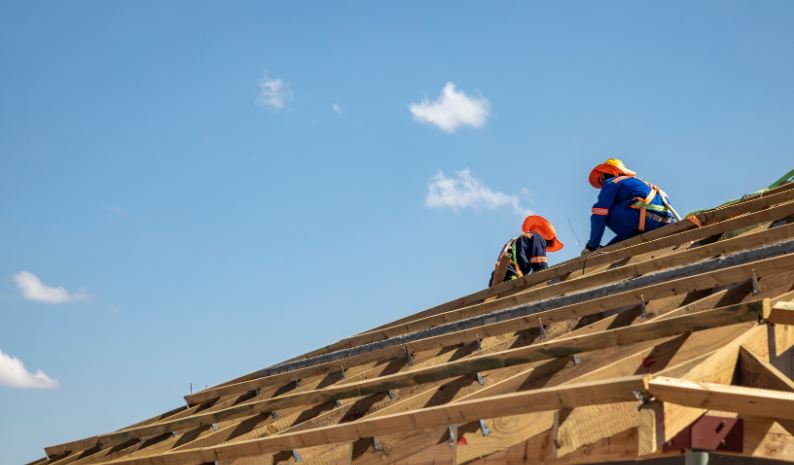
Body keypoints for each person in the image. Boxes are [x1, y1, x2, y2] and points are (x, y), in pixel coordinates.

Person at [583, 158, 675, 254]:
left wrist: (592, 246)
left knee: (604, 211)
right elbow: (630, 232)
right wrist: (607, 248)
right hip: (664, 223)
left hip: (647, 221)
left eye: (600, 179)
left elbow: (599, 213)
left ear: (606, 174)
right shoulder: (636, 183)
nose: (602, 185)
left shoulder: (612, 182)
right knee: (618, 211)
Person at [490, 215, 564, 285]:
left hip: (496, 278)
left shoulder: (518, 239)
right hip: (510, 278)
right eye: (548, 243)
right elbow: (541, 267)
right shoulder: (538, 238)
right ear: (547, 238)